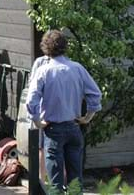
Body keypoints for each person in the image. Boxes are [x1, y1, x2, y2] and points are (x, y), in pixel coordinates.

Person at [26, 30, 102, 192]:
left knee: (55, 183)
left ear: (45, 48)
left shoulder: (43, 71)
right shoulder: (77, 68)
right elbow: (95, 94)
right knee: (75, 181)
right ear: (64, 47)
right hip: (74, 128)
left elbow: (31, 101)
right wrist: (88, 117)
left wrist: (38, 122)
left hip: (52, 130)